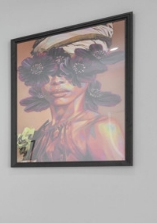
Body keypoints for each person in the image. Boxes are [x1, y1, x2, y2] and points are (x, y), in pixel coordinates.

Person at [17, 24, 124, 162]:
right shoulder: (41, 132)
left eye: (69, 69)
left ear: (90, 73)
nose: (57, 80)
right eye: (50, 71)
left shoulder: (100, 128)